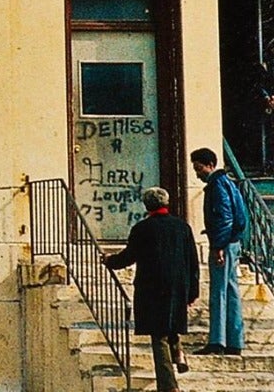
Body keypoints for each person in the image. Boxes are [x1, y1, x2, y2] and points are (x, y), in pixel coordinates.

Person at [104, 186, 200, 392]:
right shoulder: (183, 227)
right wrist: (193, 290)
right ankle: (179, 353)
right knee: (172, 321)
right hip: (178, 285)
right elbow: (193, 260)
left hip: (152, 287)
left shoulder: (142, 229)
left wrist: (109, 261)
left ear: (147, 206)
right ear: (167, 203)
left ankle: (168, 385)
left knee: (159, 336)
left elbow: (129, 257)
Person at [190, 147, 248, 356]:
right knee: (231, 290)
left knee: (220, 291)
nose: (197, 173)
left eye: (199, 168)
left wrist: (218, 246)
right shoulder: (228, 183)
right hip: (232, 242)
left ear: (210, 165)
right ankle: (234, 340)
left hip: (224, 244)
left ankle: (217, 340)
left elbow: (225, 217)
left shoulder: (217, 185)